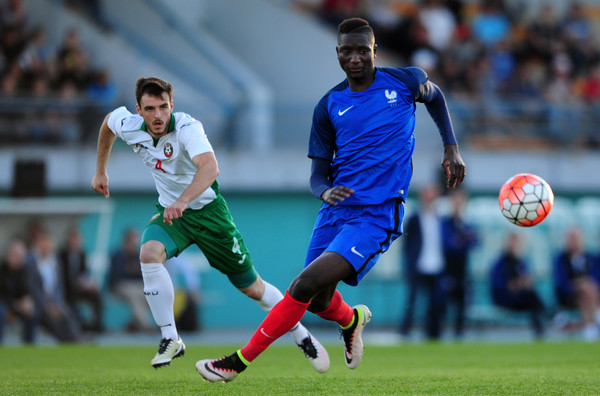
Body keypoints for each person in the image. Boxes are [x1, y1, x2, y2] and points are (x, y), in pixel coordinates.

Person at [196, 17, 465, 382]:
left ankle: (237, 362)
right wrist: (323, 191)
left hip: (376, 214)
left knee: (302, 286)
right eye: (346, 51)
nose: (354, 58)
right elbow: (317, 174)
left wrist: (451, 147)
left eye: (362, 50)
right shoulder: (329, 105)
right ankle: (352, 319)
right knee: (319, 300)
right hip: (334, 211)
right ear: (337, 53)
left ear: (374, 51)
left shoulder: (406, 81)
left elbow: (436, 98)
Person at [91, 76, 328, 371]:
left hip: (208, 214)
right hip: (171, 214)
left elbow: (211, 168)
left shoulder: (188, 128)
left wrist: (182, 201)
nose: (158, 115)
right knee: (149, 254)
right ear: (138, 110)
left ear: (172, 105)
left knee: (253, 288)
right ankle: (170, 338)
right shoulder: (128, 125)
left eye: (163, 107)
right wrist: (101, 171)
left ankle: (300, 333)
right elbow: (107, 125)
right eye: (150, 109)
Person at [398, 183, 447, 340]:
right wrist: (408, 265)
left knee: (435, 301)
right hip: (418, 265)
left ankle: (432, 332)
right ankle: (405, 330)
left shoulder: (440, 218)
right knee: (412, 300)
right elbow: (406, 244)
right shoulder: (414, 218)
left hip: (436, 265)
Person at [27, 230, 81, 343]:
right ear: (38, 244)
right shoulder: (30, 262)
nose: (47, 246)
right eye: (44, 243)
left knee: (68, 315)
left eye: (49, 243)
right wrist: (46, 306)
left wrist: (55, 303)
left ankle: (75, 341)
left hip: (55, 303)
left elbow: (59, 286)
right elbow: (33, 288)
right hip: (39, 304)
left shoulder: (55, 262)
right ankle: (69, 343)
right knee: (52, 320)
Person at [490, 232, 546, 338]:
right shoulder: (500, 263)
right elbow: (504, 287)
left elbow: (526, 281)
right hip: (504, 299)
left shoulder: (521, 262)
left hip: (519, 298)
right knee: (531, 296)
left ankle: (540, 330)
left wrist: (521, 283)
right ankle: (549, 317)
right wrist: (518, 284)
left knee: (532, 296)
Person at [441, 188, 478, 339]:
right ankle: (440, 334)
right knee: (443, 304)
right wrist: (464, 239)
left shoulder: (466, 223)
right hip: (447, 270)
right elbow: (449, 244)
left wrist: (461, 240)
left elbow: (475, 242)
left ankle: (459, 334)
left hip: (462, 271)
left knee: (462, 305)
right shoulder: (445, 222)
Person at [553, 225, 600, 341]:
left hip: (591, 293)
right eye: (571, 238)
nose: (574, 241)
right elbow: (561, 282)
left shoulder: (591, 258)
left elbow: (596, 278)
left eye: (576, 238)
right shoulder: (561, 259)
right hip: (570, 296)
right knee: (585, 291)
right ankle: (594, 321)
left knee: (587, 291)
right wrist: (578, 284)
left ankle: (590, 326)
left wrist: (586, 284)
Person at [106, 228, 154, 333]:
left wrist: (134, 270)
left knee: (151, 294)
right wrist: (129, 270)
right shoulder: (117, 255)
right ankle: (146, 326)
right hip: (120, 286)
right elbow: (116, 275)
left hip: (136, 285)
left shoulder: (138, 255)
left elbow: (143, 274)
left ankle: (132, 324)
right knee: (135, 294)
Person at [58, 227, 103, 333]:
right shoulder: (62, 254)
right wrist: (77, 283)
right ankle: (78, 325)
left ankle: (96, 325)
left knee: (96, 296)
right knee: (72, 297)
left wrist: (88, 284)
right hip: (67, 288)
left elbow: (83, 273)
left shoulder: (82, 254)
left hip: (80, 287)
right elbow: (63, 276)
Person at [0, 238, 38, 344]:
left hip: (19, 306)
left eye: (20, 255)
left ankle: (29, 347)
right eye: (15, 254)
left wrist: (28, 301)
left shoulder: (25, 271)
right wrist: (14, 305)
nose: (17, 257)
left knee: (32, 313)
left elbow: (29, 290)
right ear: (8, 254)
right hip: (5, 305)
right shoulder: (2, 270)